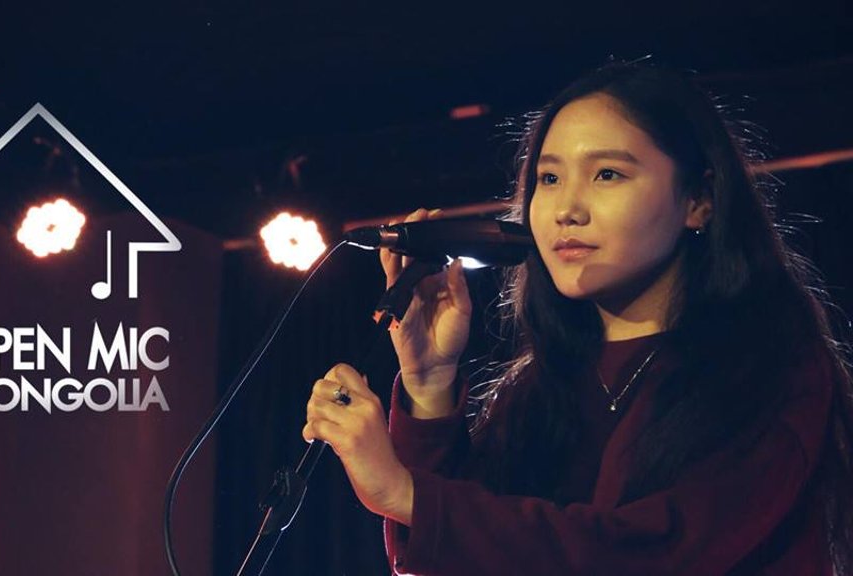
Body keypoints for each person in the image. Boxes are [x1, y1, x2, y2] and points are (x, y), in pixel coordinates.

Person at [301, 62, 853, 575]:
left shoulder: (772, 370)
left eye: (607, 174)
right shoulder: (538, 390)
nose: (567, 209)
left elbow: (649, 552)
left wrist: (409, 496)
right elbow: (460, 558)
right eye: (549, 179)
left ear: (699, 201)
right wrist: (429, 385)